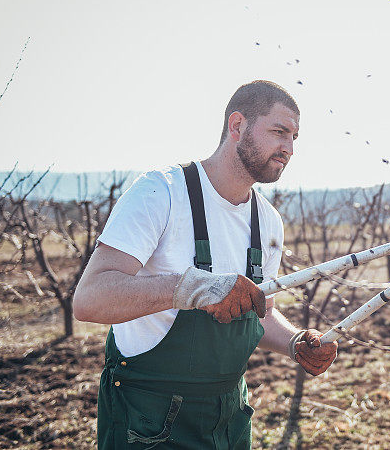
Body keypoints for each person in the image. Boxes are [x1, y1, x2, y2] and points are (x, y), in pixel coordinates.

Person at [74, 80, 338, 449]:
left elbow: (261, 313)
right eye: (279, 132)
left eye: (294, 137)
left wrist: (294, 342)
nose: (289, 148)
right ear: (237, 126)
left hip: (228, 419)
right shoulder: (160, 191)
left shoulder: (268, 220)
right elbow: (89, 299)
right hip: (149, 421)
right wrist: (190, 288)